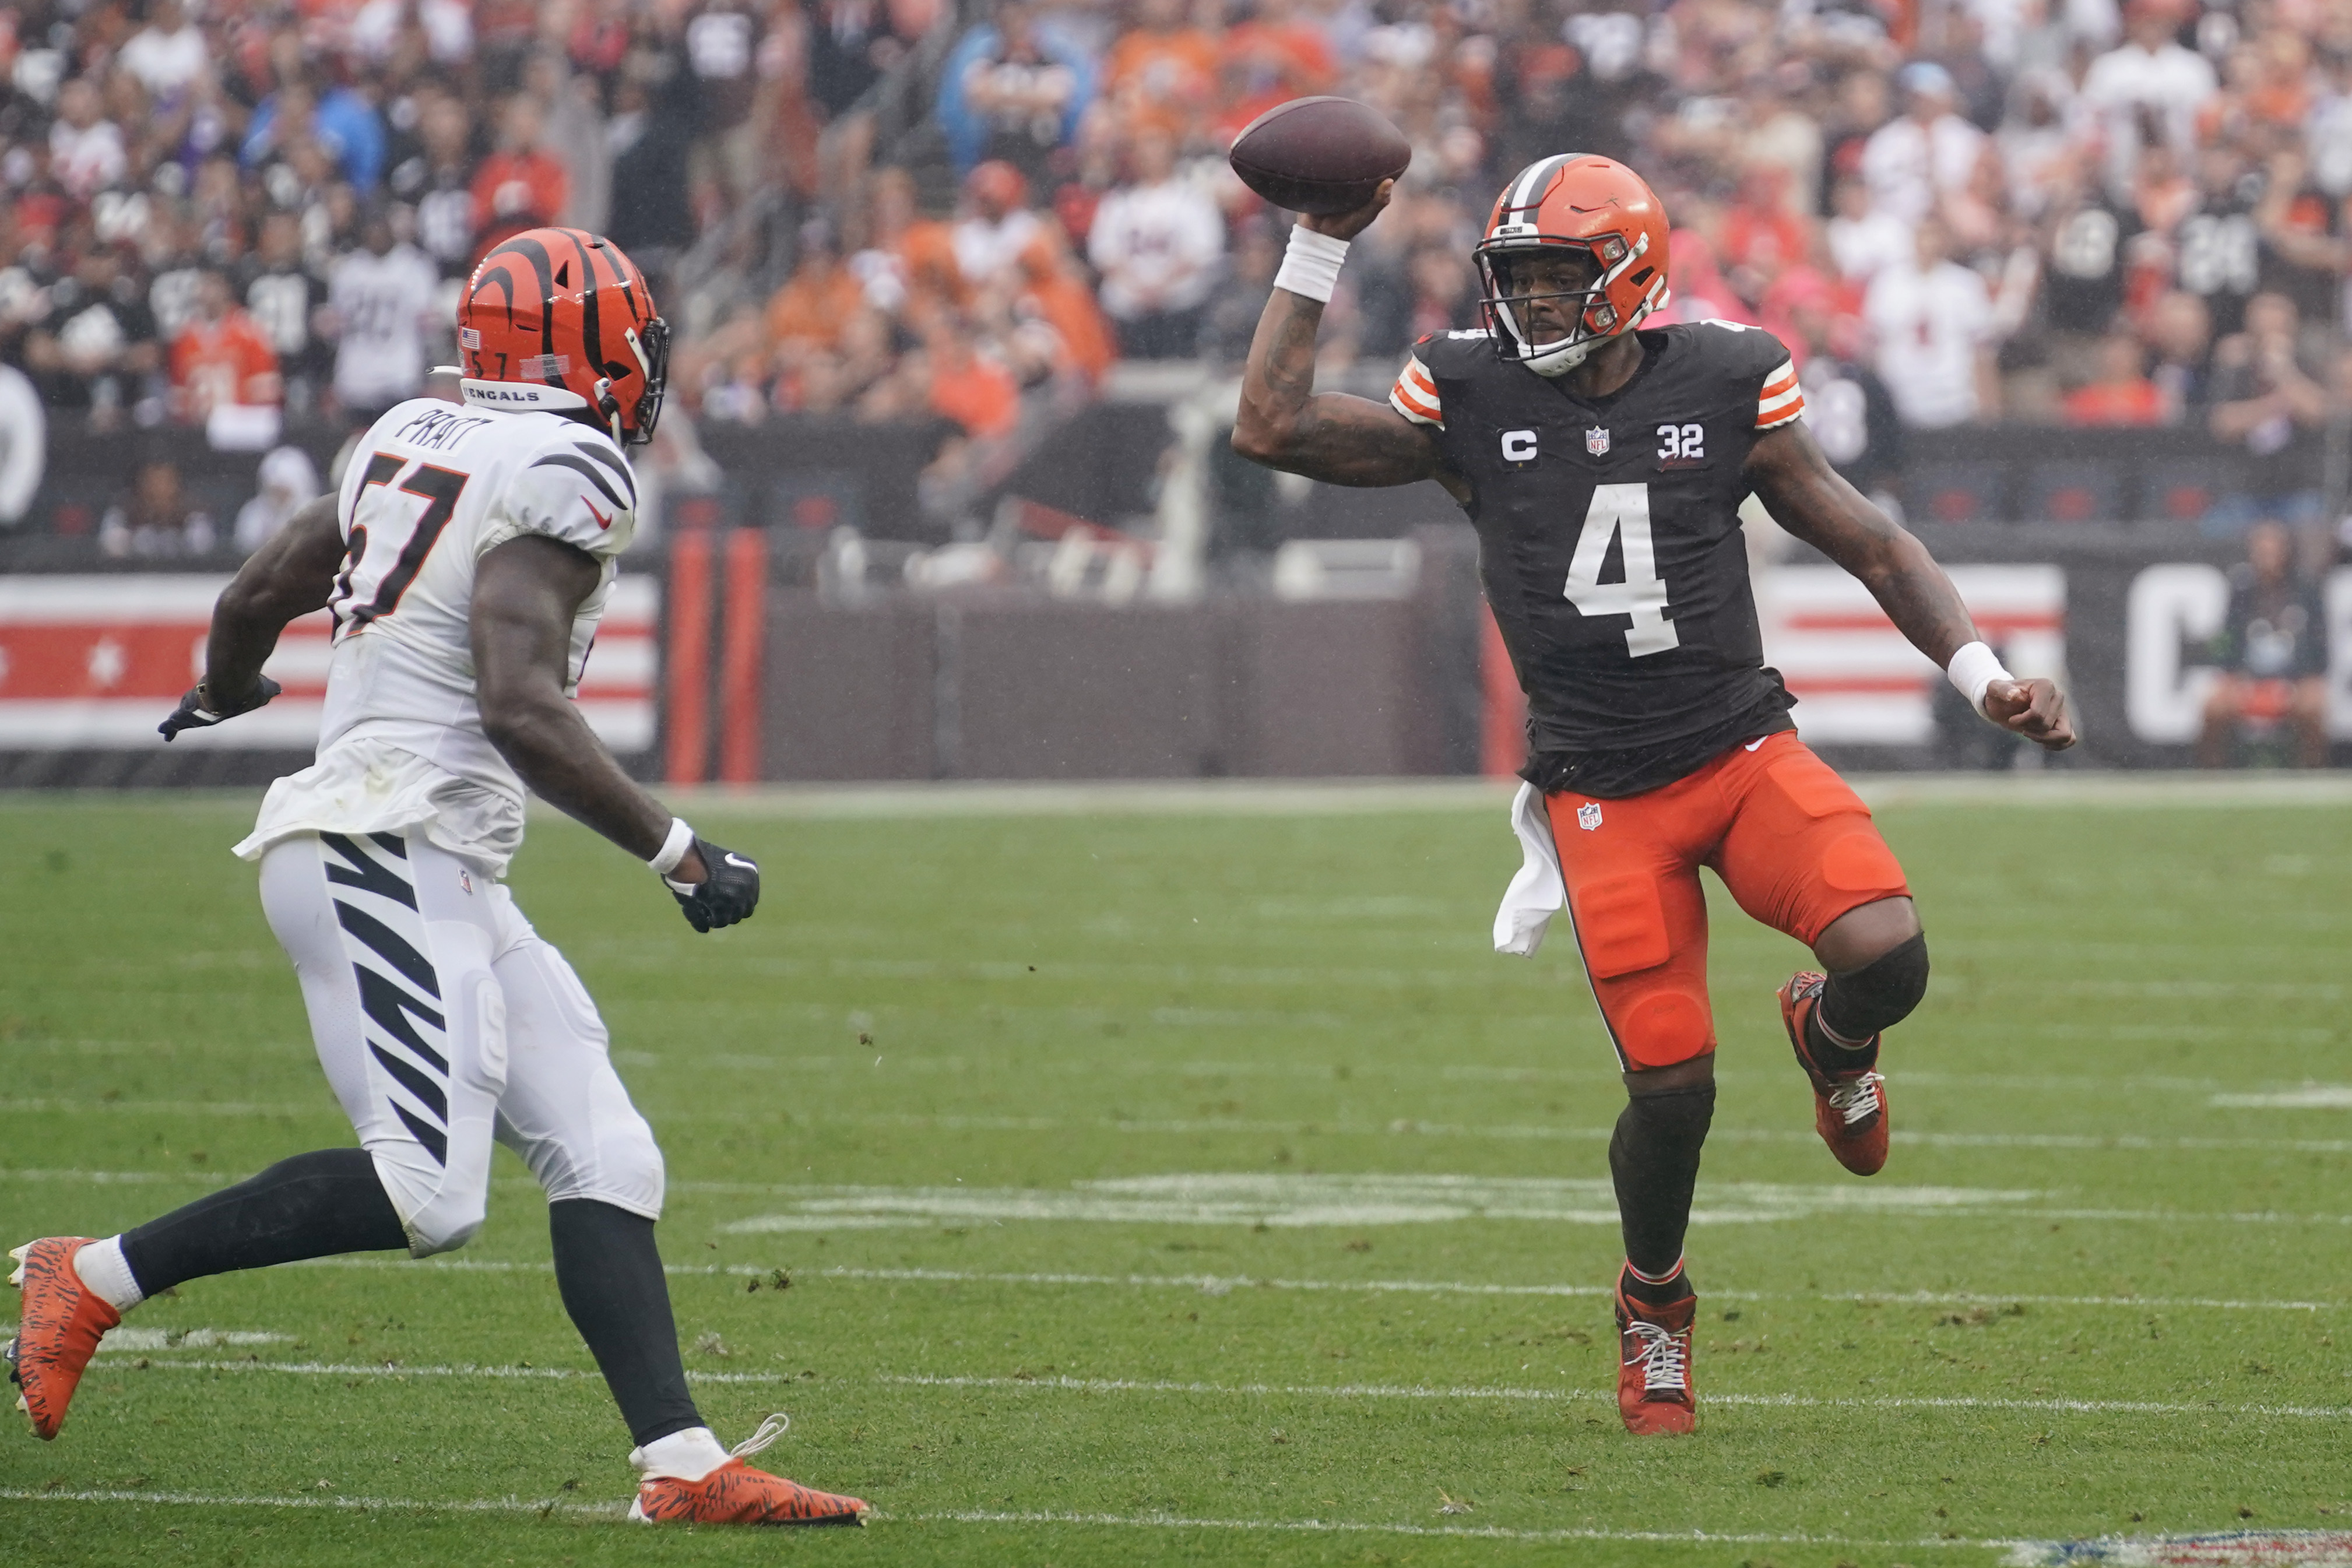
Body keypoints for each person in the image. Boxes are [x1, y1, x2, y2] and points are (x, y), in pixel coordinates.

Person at [6, 227, 869, 1529]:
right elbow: (521, 707)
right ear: (585, 347)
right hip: (383, 848)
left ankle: (682, 1464)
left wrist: (227, 687)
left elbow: (255, 595)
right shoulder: (566, 466)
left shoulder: (414, 430)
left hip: (427, 851)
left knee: (603, 1148)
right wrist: (680, 853)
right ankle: (95, 1273)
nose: (649, 363)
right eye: (634, 337)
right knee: (427, 1191)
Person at [1229, 155, 2074, 1437]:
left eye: (1560, 280)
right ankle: (1653, 1304)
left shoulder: (1724, 378)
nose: (1533, 307)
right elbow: (1271, 427)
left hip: (1736, 750)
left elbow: (1870, 539)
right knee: (1672, 1087)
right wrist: (1316, 247)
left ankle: (1833, 1036)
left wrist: (1981, 674)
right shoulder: (1469, 394)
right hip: (1599, 793)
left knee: (1886, 952)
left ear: (1627, 275)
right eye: (1516, 281)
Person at [2197, 520, 2331, 767]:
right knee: (2213, 706)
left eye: (2273, 550)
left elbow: (2318, 646)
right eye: (2261, 550)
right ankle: (2212, 774)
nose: (2266, 557)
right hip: (2248, 679)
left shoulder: (2306, 590)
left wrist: (2297, 683)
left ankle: (2311, 772)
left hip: (2294, 681)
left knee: (2314, 704)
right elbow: (2226, 642)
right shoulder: (2241, 591)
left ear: (2286, 552)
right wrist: (2234, 678)